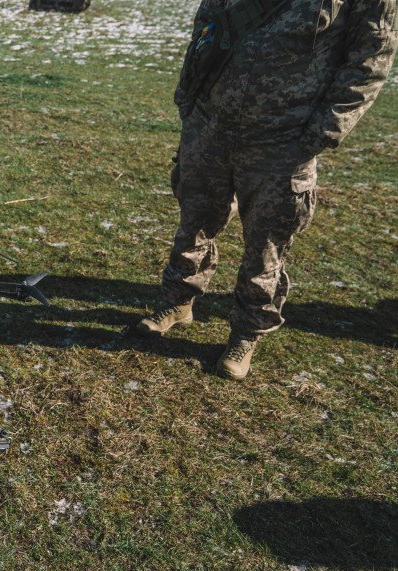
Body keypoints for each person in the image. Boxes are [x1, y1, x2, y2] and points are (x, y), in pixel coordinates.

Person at [136, 0, 397, 380]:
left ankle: (246, 333)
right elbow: (209, 23)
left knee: (266, 239)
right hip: (211, 120)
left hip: (284, 136)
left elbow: (370, 61)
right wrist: (189, 96)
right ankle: (177, 302)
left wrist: (322, 131)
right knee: (195, 217)